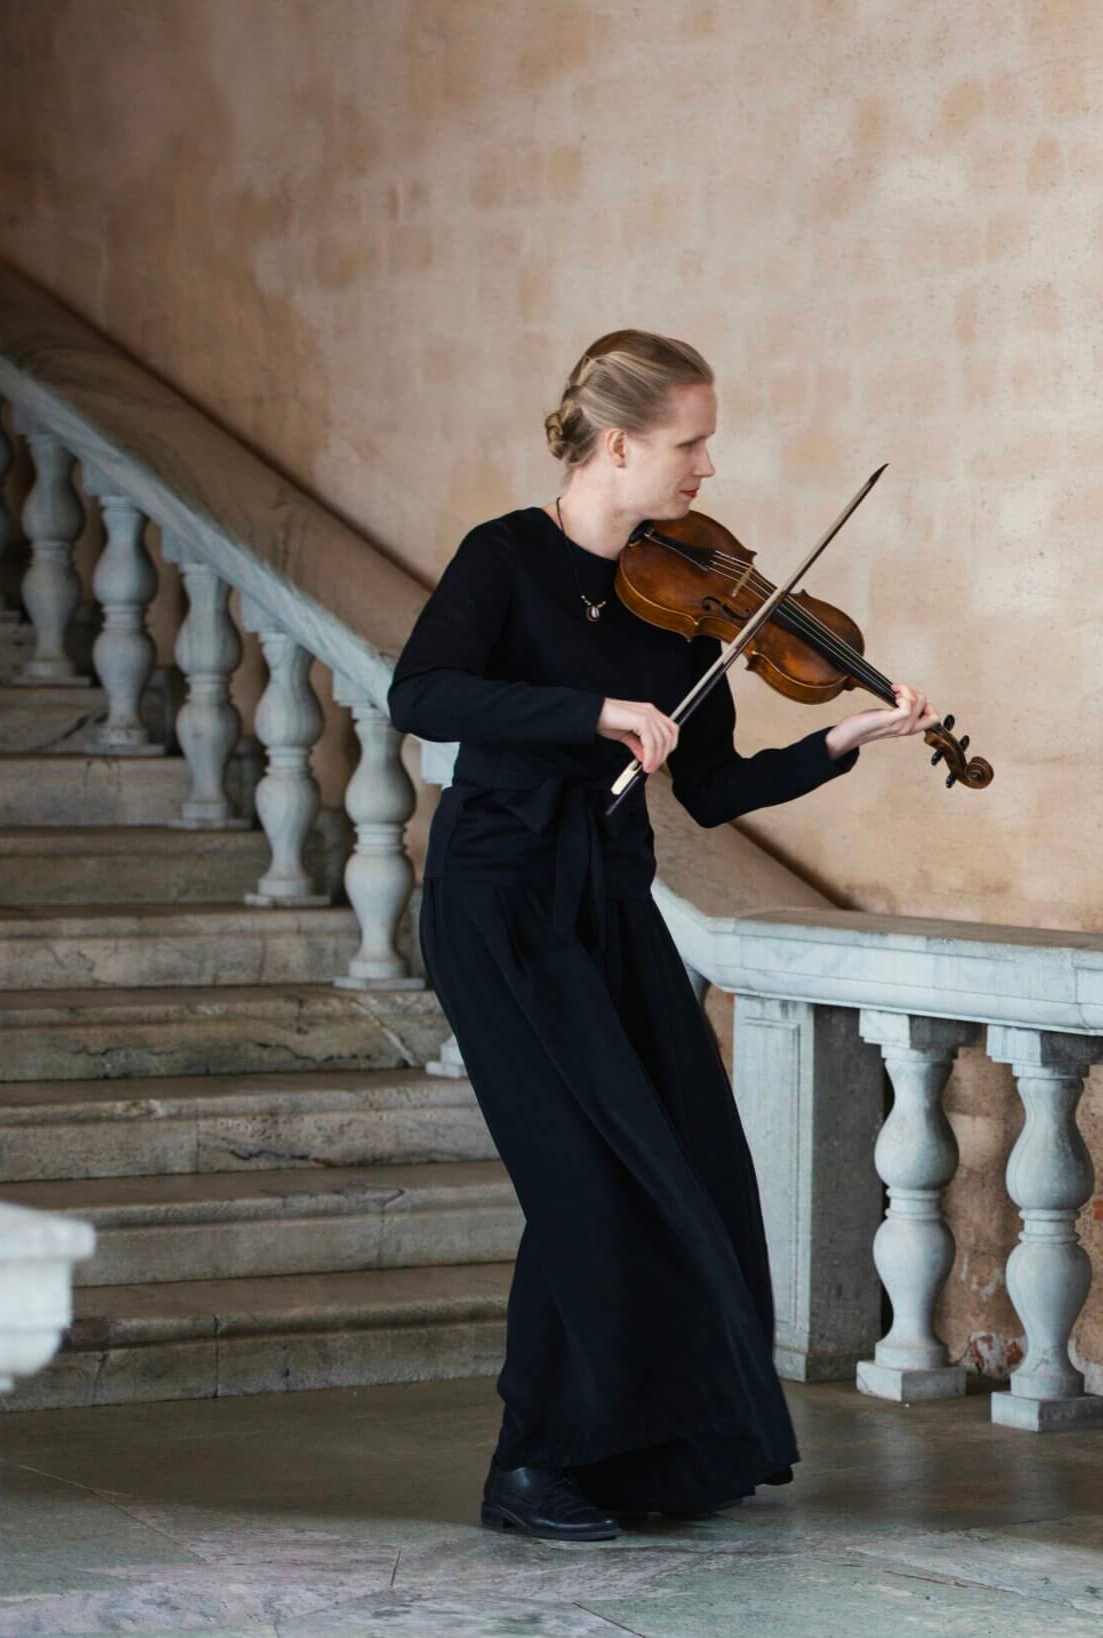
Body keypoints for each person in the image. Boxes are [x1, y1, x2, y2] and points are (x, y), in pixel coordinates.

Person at [388, 329, 938, 1540]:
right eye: (691, 443)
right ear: (621, 443)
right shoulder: (507, 557)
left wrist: (843, 742)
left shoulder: (683, 597)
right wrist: (587, 709)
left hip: (611, 907)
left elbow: (717, 787)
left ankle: (648, 1456)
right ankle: (529, 1465)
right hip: (503, 904)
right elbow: (419, 694)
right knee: (584, 1179)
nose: (707, 469)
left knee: (692, 1159)